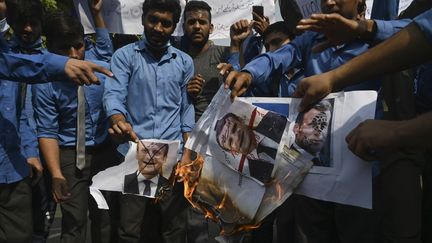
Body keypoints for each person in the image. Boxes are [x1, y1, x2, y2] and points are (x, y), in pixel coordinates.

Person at [293, 8, 432, 243]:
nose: (329, 2)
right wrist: (333, 78)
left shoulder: (377, 37)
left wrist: (401, 132)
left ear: (360, 6)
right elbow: (423, 34)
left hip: (368, 171)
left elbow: (415, 34)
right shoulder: (311, 41)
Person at [103, 0, 194, 242]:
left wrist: (187, 153)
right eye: (153, 20)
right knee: (130, 229)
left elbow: (186, 108)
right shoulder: (124, 56)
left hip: (172, 156)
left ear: (174, 26)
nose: (158, 27)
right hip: (135, 152)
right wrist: (117, 117)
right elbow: (114, 93)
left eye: (166, 23)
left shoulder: (184, 62)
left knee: (174, 227)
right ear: (143, 19)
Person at [32, 11, 117, 243]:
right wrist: (57, 174)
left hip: (104, 152)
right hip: (68, 156)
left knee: (105, 217)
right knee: (74, 220)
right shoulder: (44, 82)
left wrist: (98, 13)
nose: (73, 55)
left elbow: (105, 46)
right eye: (64, 49)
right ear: (50, 48)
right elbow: (47, 130)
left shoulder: (100, 68)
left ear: (85, 43)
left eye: (78, 46)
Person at [214, 111, 287, 183]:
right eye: (230, 141)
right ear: (232, 151)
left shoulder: (273, 119)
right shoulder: (252, 176)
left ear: (241, 120)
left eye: (234, 128)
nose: (236, 137)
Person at [293, 100, 332, 166]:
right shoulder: (286, 158)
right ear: (297, 128)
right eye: (313, 125)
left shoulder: (324, 161)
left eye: (324, 126)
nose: (318, 133)